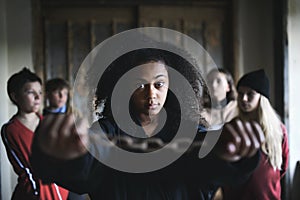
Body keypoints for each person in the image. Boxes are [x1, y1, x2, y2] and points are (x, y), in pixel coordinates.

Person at [30, 49, 265, 200]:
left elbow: (213, 168)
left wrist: (232, 153)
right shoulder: (106, 133)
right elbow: (84, 173)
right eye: (140, 85)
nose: (151, 94)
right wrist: (67, 155)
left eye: (159, 84)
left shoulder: (191, 135)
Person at [1, 68, 69, 200]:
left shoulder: (49, 123)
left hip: (62, 189)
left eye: (39, 92)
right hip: (35, 194)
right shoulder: (11, 130)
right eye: (31, 92)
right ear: (15, 97)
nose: (38, 97)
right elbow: (26, 170)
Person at [222, 69, 289, 200]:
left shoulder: (278, 131)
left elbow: (283, 167)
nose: (243, 99)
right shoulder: (232, 127)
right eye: (240, 94)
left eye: (250, 94)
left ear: (262, 98)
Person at [43, 77, 87, 200]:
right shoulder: (41, 118)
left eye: (65, 93)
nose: (62, 96)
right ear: (47, 95)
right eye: (57, 92)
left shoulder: (76, 115)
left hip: (75, 171)